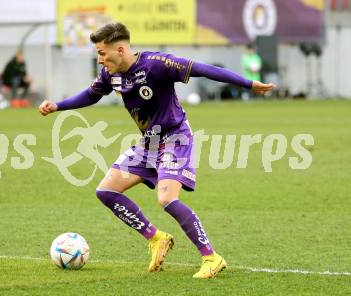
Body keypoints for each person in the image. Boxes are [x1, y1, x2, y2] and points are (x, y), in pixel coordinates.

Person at [39, 23, 274, 278]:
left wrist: (248, 84)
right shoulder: (111, 74)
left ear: (120, 49)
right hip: (149, 144)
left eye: (102, 53)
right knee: (106, 191)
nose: (100, 60)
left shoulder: (157, 64)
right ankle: (156, 238)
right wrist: (58, 106)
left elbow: (204, 69)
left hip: (175, 139)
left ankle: (211, 257)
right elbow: (92, 95)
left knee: (166, 199)